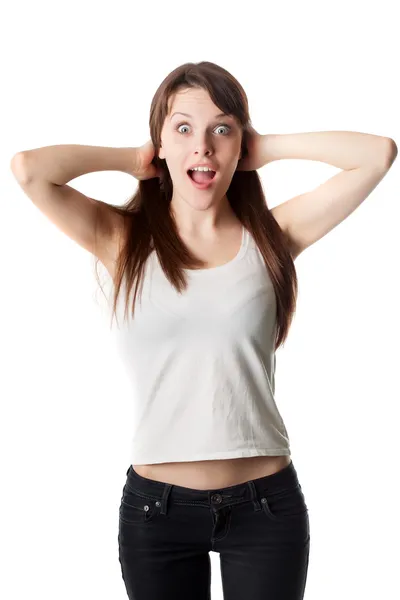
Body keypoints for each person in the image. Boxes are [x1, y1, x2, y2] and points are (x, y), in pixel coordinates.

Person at [11, 60, 396, 600]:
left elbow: (377, 155)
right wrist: (133, 160)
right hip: (156, 511)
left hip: (266, 507)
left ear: (241, 145)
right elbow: (29, 169)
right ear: (160, 142)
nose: (203, 148)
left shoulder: (273, 237)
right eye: (183, 128)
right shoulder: (123, 240)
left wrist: (266, 147)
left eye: (222, 129)